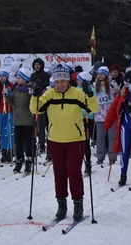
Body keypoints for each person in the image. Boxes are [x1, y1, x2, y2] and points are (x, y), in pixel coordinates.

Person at [30, 64, 99, 221]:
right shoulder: (49, 95)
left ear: (68, 80)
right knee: (59, 174)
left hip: (76, 139)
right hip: (55, 140)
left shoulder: (77, 94)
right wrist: (35, 94)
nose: (60, 84)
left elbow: (93, 109)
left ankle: (78, 204)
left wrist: (89, 94)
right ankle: (61, 204)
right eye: (57, 81)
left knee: (74, 173)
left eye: (63, 81)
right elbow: (35, 109)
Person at [6, 68, 34, 174]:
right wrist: (7, 96)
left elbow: (32, 103)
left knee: (27, 142)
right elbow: (12, 103)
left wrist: (33, 94)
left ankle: (28, 161)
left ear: (25, 79)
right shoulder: (16, 89)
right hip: (17, 120)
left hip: (27, 120)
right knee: (18, 142)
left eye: (19, 78)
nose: (17, 80)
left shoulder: (29, 89)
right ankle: (18, 161)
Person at [93, 66, 119, 165]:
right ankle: (100, 156)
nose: (100, 76)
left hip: (110, 114)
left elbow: (118, 96)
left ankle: (112, 157)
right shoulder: (95, 84)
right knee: (100, 136)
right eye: (98, 74)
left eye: (102, 74)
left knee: (112, 136)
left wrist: (116, 92)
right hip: (99, 114)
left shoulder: (112, 83)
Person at [0, 69, 15, 163]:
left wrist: (10, 92)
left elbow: (14, 98)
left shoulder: (11, 86)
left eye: (3, 76)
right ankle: (3, 151)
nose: (1, 77)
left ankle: (10, 150)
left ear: (7, 77)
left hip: (9, 110)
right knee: (2, 131)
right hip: (0, 110)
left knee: (10, 130)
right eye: (0, 76)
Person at [30, 58, 50, 154]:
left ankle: (43, 143)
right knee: (35, 124)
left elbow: (47, 85)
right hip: (34, 100)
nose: (37, 66)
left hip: (43, 100)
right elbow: (31, 86)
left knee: (42, 124)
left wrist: (41, 87)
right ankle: (35, 142)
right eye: (35, 65)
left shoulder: (45, 75)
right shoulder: (33, 75)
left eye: (38, 64)